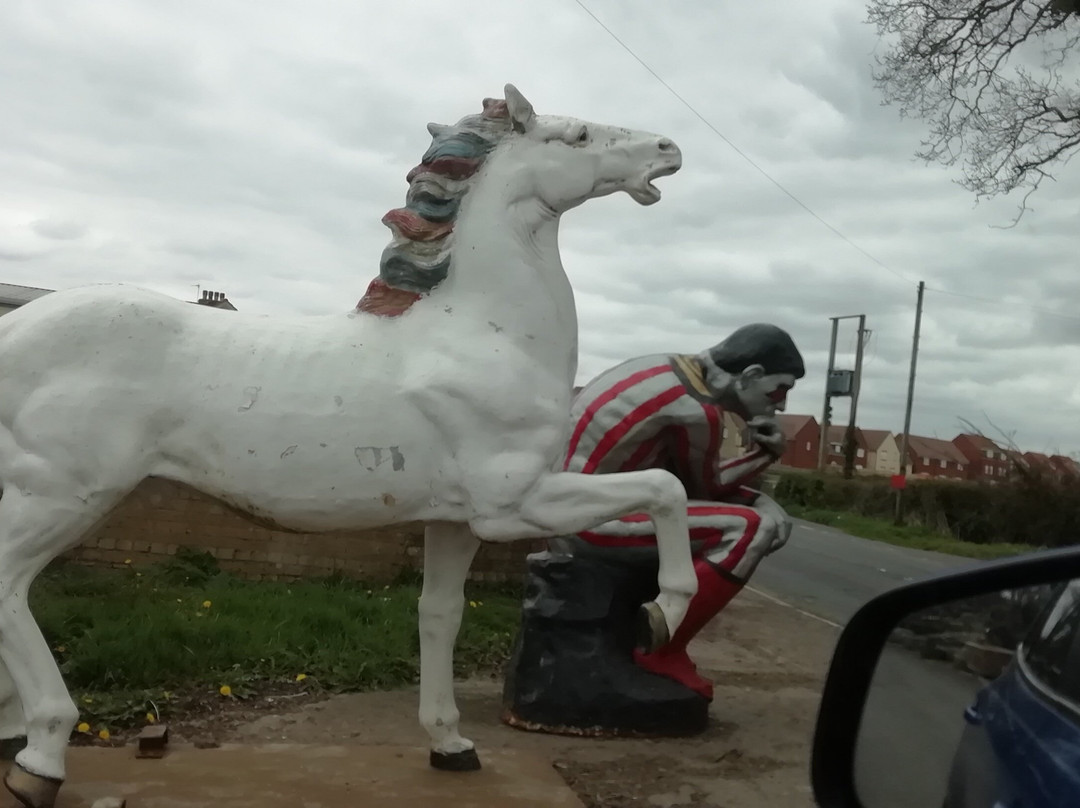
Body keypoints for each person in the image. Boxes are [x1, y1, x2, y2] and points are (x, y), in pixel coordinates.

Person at [562, 323, 805, 699]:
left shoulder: (668, 369)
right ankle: (662, 649)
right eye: (780, 389)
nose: (781, 404)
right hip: (592, 520)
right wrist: (764, 456)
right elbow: (707, 488)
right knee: (751, 529)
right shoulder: (697, 409)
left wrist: (760, 496)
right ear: (751, 375)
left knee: (755, 517)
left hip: (574, 504)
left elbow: (687, 484)